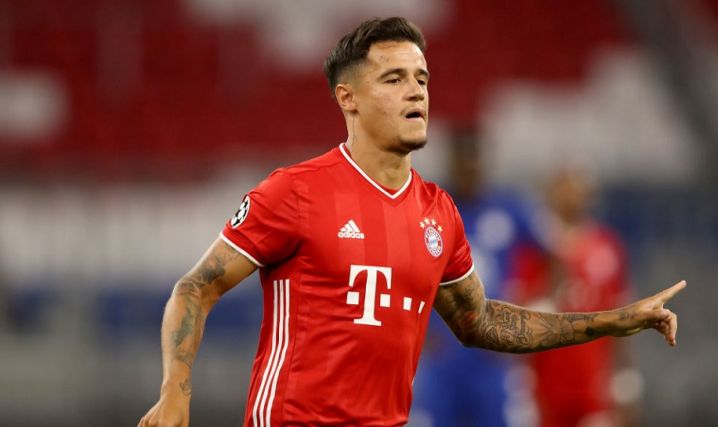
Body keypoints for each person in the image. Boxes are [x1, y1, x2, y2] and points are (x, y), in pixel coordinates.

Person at [138, 17, 685, 427]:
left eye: (421, 77)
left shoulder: (437, 212)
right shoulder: (295, 191)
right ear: (348, 98)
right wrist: (175, 392)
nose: (416, 89)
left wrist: (612, 321)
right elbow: (196, 288)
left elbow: (481, 322)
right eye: (394, 78)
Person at [411, 130, 537, 427]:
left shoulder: (507, 209)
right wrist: (415, 328)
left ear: (482, 164)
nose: (468, 172)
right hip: (442, 354)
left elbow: (554, 257)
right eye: (461, 164)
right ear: (451, 164)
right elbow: (402, 270)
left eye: (473, 163)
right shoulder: (427, 211)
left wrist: (527, 311)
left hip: (490, 354)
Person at [514, 167, 640, 427]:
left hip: (593, 386)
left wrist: (625, 383)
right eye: (563, 188)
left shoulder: (607, 246)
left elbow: (624, 319)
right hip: (545, 389)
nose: (571, 196)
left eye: (577, 189)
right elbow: (519, 318)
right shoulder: (534, 250)